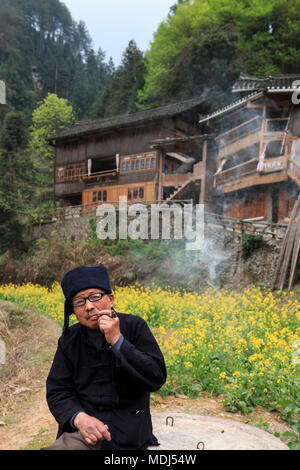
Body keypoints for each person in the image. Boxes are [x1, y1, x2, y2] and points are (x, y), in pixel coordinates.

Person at [42, 265, 167, 450]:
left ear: (110, 299)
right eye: (79, 302)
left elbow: (156, 377)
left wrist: (118, 340)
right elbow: (58, 391)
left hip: (129, 429)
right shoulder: (69, 340)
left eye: (95, 297)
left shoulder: (134, 326)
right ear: (73, 311)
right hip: (84, 433)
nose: (89, 306)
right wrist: (80, 419)